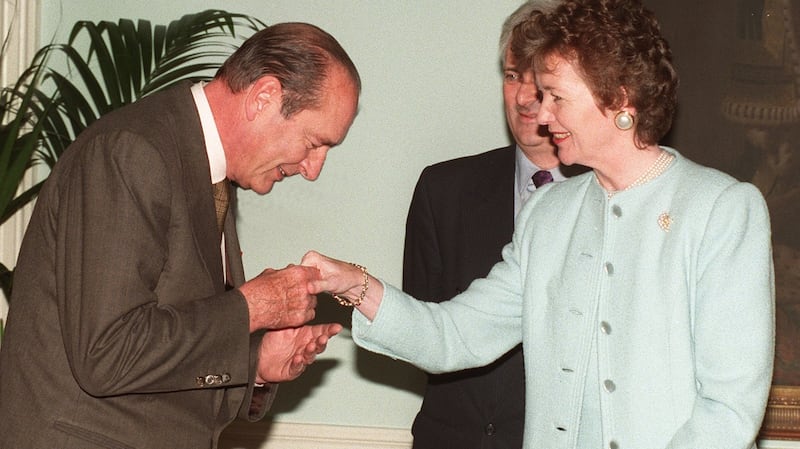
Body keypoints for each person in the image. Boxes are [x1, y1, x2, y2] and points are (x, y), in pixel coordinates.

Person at [301, 1, 775, 448]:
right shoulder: (548, 214)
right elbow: (454, 335)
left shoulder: (721, 210)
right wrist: (356, 285)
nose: (542, 116)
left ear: (620, 100)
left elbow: (728, 410)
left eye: (557, 98)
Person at [0, 22, 358, 449]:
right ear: (264, 97)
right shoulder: (132, 151)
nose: (313, 169)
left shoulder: (209, 170)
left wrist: (256, 363)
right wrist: (253, 308)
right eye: (314, 142)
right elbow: (106, 354)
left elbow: (162, 337)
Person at [403, 1, 579, 447]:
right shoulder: (443, 190)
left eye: (540, 80)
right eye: (512, 75)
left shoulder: (612, 197)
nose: (522, 96)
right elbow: (428, 331)